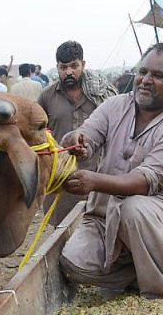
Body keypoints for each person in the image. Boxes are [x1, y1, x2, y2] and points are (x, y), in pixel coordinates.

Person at [57, 41, 163, 303]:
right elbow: (89, 134)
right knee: (74, 264)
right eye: (143, 72)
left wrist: (94, 181)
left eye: (159, 76)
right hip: (105, 214)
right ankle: (144, 270)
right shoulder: (115, 106)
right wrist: (79, 141)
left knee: (134, 209)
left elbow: (146, 180)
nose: (146, 80)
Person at [37, 40, 119, 224]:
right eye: (63, 67)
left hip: (99, 178)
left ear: (83, 64)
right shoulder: (47, 96)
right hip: (61, 181)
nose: (68, 72)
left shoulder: (101, 94)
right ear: (57, 67)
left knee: (102, 228)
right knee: (61, 234)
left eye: (74, 66)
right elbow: (38, 134)